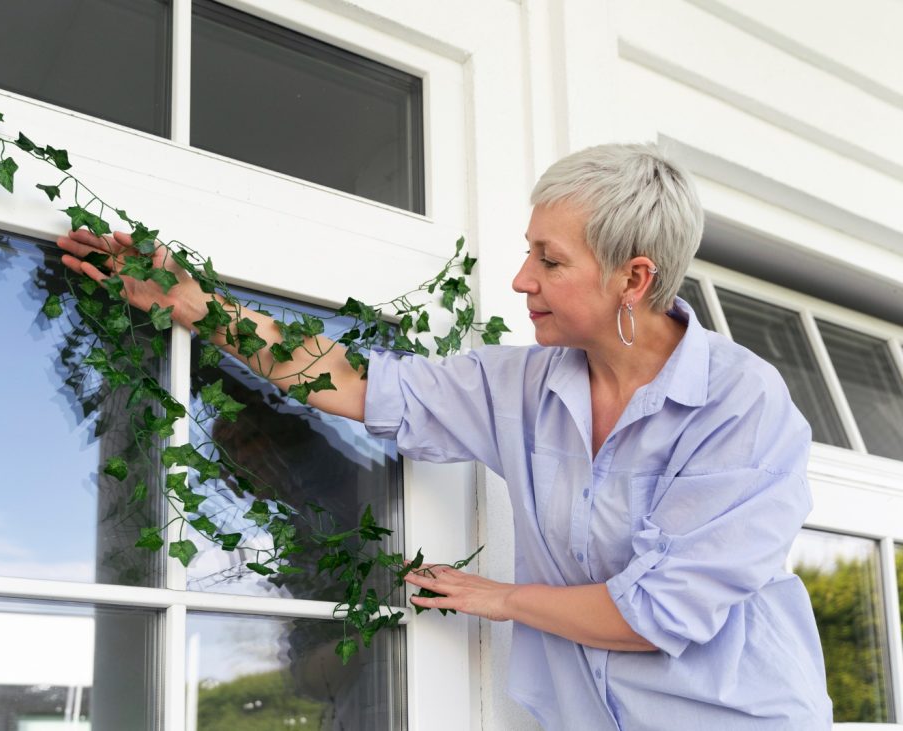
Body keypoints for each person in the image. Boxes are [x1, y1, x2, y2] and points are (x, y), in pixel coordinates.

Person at [57, 143, 833, 730]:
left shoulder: (739, 406)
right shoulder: (522, 386)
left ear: (633, 279)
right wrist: (197, 306)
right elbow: (354, 382)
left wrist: (500, 598)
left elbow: (659, 614)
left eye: (548, 259)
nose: (521, 279)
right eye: (530, 249)